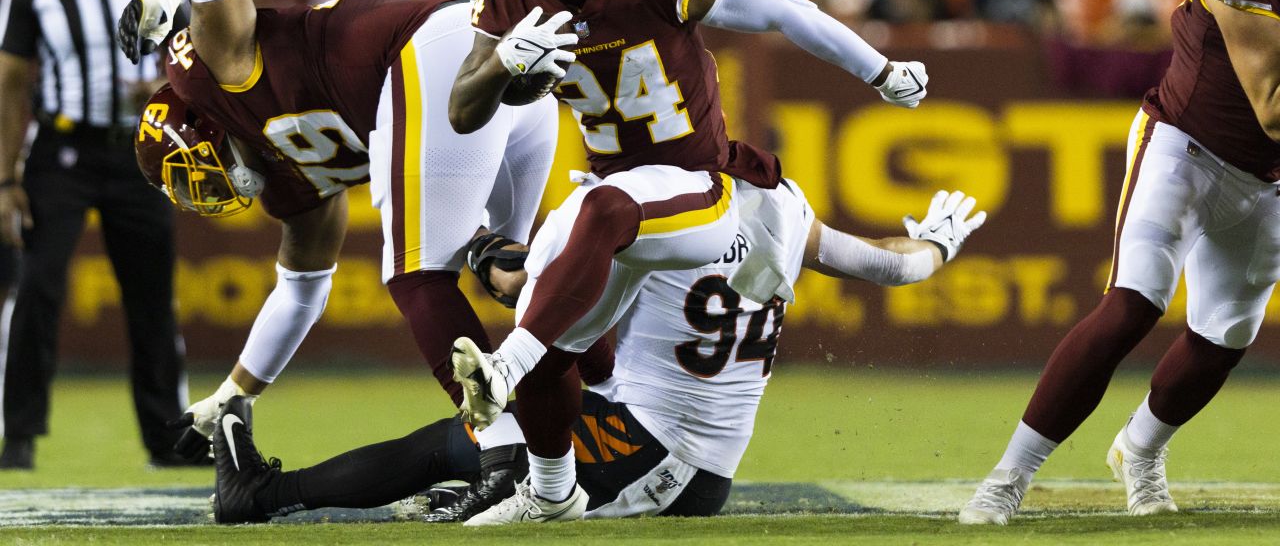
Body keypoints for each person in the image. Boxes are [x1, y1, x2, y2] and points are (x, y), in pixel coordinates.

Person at [445, 0, 931, 524]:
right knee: (561, 346)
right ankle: (551, 493)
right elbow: (462, 111)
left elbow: (779, 10)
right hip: (624, 191)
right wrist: (501, 62)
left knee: (595, 213)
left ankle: (505, 366)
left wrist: (879, 70)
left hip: (698, 190)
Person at [117, 0, 557, 514]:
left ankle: (503, 455)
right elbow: (300, 292)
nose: (205, 190)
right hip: (493, 69)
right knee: (515, 280)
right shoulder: (291, 186)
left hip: (440, 54)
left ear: (207, 124)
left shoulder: (218, 70)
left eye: (194, 170)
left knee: (416, 273)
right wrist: (236, 393)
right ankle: (610, 406)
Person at [207, 183, 985, 524]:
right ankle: (275, 492)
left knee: (487, 430)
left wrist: (482, 249)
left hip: (654, 458)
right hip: (687, 452)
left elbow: (528, 296)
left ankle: (267, 495)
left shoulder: (646, 211)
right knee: (494, 429)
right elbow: (892, 265)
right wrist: (937, 246)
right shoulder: (777, 202)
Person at [958, 0, 1280, 525]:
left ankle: (1139, 449)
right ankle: (1008, 476)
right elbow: (1274, 107)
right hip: (1187, 147)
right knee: (1134, 301)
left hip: (1267, 179)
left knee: (1225, 335)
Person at [0, 0, 194, 471]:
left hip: (139, 151)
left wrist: (162, 90)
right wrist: (5, 177)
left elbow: (194, 56)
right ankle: (20, 433)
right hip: (60, 151)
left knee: (152, 296)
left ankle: (168, 437)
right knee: (37, 287)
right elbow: (10, 83)